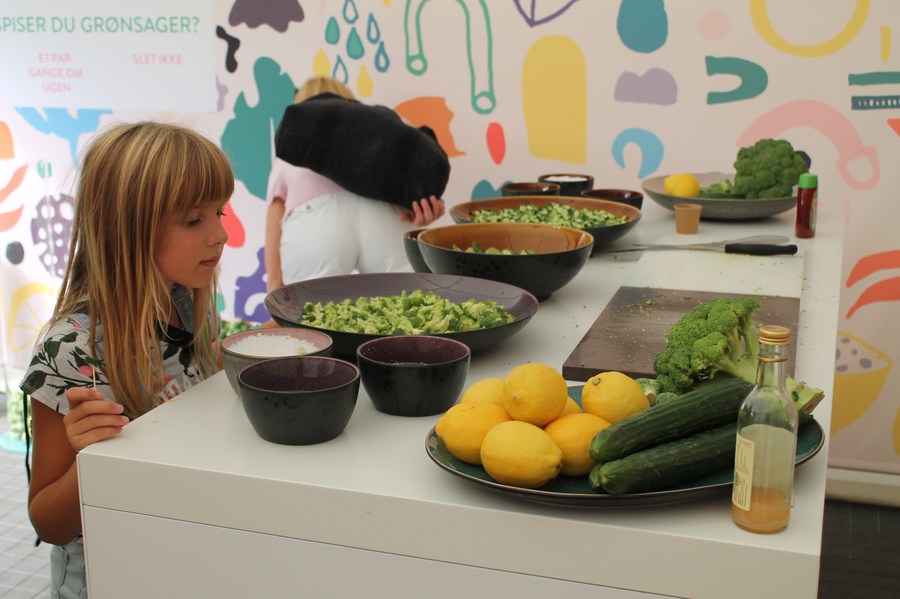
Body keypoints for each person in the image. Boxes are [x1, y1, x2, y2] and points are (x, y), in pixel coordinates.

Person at [20, 121, 234, 598]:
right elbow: (49, 524)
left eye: (219, 212)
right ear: (130, 229)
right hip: (109, 576)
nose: (220, 234)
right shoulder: (71, 350)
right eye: (194, 220)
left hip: (182, 559)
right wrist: (88, 456)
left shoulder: (191, 306)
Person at [264, 76, 447, 291]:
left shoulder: (298, 133)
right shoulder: (386, 123)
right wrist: (425, 211)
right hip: (385, 213)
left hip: (316, 218)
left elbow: (276, 206)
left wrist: (274, 281)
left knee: (310, 305)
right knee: (403, 299)